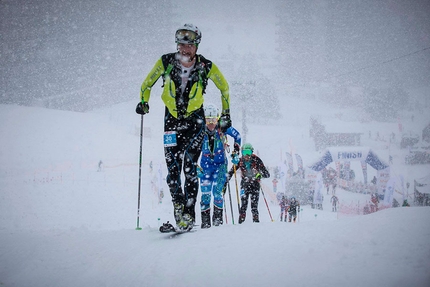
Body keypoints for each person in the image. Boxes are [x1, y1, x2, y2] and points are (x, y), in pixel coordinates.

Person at [136, 24, 232, 231]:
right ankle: (179, 209)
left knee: (189, 167)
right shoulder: (166, 62)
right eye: (181, 44)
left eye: (189, 45)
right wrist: (144, 102)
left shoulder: (207, 66)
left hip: (195, 122)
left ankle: (188, 215)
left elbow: (224, 88)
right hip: (171, 121)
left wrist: (226, 114)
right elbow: (146, 84)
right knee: (172, 171)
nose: (184, 49)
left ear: (196, 46)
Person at [197, 104, 241, 228]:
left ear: (218, 119)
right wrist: (194, 165)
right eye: (208, 120)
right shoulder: (200, 129)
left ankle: (218, 223)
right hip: (205, 166)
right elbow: (190, 147)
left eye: (214, 120)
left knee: (217, 193)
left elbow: (237, 136)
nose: (211, 123)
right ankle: (205, 224)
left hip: (220, 165)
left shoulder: (222, 128)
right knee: (205, 195)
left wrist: (236, 152)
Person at [226, 143, 270, 223]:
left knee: (254, 206)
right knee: (243, 205)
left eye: (248, 152)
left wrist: (259, 174)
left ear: (252, 152)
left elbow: (267, 174)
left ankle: (256, 222)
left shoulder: (256, 160)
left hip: (255, 184)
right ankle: (241, 222)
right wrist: (226, 179)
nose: (246, 155)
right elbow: (232, 171)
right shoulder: (240, 161)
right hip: (245, 184)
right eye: (244, 152)